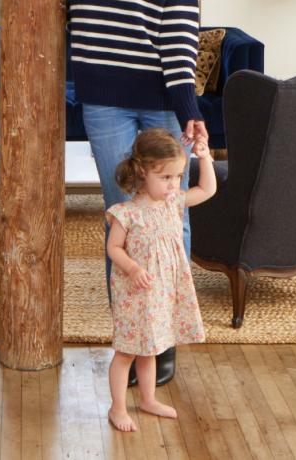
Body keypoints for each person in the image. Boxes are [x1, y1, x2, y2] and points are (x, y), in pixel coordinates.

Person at [65, 0, 208, 386]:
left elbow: (179, 26)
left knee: (170, 218)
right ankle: (133, 332)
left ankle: (165, 337)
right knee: (124, 218)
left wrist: (187, 103)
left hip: (161, 99)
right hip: (103, 100)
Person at [106, 128, 217, 432]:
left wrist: (204, 158)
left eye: (178, 177)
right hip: (135, 293)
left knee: (153, 347)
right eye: (166, 178)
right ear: (143, 172)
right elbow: (113, 248)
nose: (173, 185)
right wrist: (132, 268)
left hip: (162, 292)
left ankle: (148, 398)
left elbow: (207, 190)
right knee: (128, 350)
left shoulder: (173, 202)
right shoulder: (126, 213)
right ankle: (117, 407)